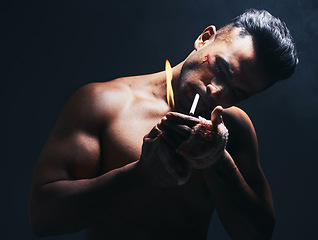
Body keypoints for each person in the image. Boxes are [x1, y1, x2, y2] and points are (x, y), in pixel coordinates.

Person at [29, 9, 298, 240]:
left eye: (238, 94)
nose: (218, 92)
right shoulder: (104, 103)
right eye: (221, 69)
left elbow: (258, 234)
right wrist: (140, 175)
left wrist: (216, 159)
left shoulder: (234, 129)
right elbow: (44, 219)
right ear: (204, 39)